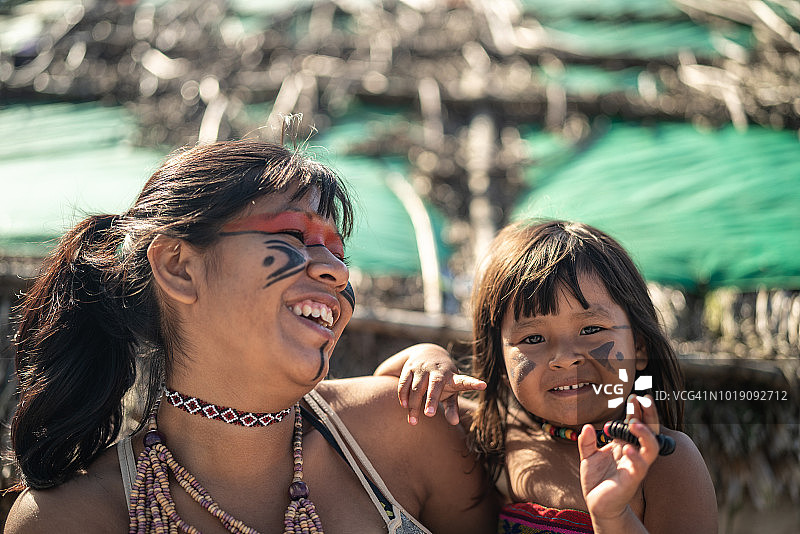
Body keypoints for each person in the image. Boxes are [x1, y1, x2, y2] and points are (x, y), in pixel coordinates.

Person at [5, 140, 498, 533]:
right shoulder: (69, 520)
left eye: (337, 251)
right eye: (292, 238)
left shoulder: (409, 427)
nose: (337, 272)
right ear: (179, 267)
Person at [377, 220, 718, 533]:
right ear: (501, 365)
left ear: (640, 347)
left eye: (591, 329)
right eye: (534, 339)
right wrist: (427, 356)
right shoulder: (498, 437)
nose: (565, 359)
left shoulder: (665, 462)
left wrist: (613, 516)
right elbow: (383, 398)